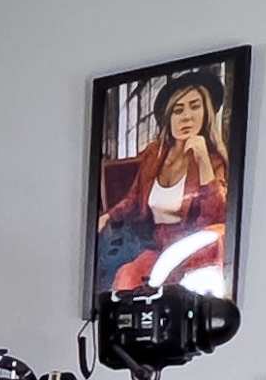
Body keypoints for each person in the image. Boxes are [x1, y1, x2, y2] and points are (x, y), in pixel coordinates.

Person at [94, 66, 233, 297]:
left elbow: (217, 217)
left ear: (206, 113)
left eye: (194, 106)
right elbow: (134, 198)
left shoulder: (214, 161)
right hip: (152, 243)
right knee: (126, 278)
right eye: (178, 110)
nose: (186, 116)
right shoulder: (154, 153)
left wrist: (203, 160)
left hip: (190, 251)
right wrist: (107, 216)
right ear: (169, 117)